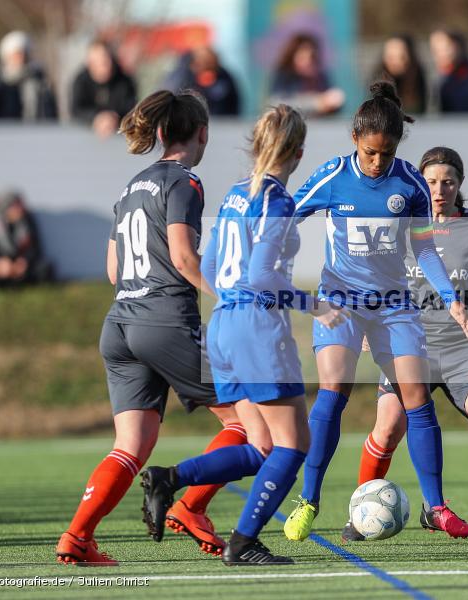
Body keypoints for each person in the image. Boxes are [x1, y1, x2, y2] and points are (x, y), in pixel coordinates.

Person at [140, 105, 348, 566]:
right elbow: (261, 278)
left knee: (261, 447)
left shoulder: (235, 194)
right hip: (255, 328)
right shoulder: (277, 201)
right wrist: (313, 304)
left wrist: (232, 307)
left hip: (224, 326)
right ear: (297, 152)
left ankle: (170, 477)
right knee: (295, 447)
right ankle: (243, 541)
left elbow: (211, 267)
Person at [282, 81, 468, 542]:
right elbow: (286, 219)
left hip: (394, 305)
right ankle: (308, 501)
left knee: (416, 397)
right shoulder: (332, 177)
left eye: (387, 153)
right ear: (355, 138)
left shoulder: (410, 182)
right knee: (333, 390)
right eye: (371, 152)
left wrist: (452, 300)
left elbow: (424, 251)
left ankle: (437, 507)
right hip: (341, 302)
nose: (378, 162)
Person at [56, 90, 245, 565]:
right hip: (164, 321)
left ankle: (77, 537)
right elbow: (183, 257)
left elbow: (114, 271)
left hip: (119, 323)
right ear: (202, 133)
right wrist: (230, 298)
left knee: (131, 446)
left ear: (160, 133)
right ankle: (190, 506)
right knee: (247, 419)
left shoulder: (130, 188)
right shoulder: (185, 183)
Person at [342, 147, 468, 542]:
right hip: (407, 343)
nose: (439, 189)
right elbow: (372, 275)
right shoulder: (402, 225)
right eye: (431, 181)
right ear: (420, 183)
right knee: (388, 427)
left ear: (460, 184)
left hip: (464, 347)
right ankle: (357, 517)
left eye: (448, 181)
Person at [0, 189, 53, 288]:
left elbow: (36, 248)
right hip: (3, 263)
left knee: (44, 268)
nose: (20, 209)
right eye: (16, 206)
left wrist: (24, 261)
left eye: (21, 205)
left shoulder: (28, 221)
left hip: (22, 263)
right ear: (6, 207)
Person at [0, 31, 58, 121]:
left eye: (24, 54)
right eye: (17, 55)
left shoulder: (41, 85)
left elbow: (50, 113)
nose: (21, 58)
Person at [70, 39, 137, 138]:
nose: (103, 65)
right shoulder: (80, 82)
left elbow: (132, 109)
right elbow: (76, 110)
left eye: (105, 59)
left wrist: (114, 118)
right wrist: (96, 118)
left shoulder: (125, 81)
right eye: (98, 61)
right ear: (89, 63)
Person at [269, 33, 345, 117]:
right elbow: (276, 103)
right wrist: (316, 103)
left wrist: (334, 102)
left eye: (312, 57)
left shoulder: (321, 77)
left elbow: (335, 103)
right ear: (292, 58)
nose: (308, 62)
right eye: (303, 57)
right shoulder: (284, 77)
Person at [163, 46, 240, 116]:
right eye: (203, 62)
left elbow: (234, 103)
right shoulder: (183, 79)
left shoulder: (224, 78)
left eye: (210, 63)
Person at [371, 34, 426, 114]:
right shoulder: (376, 84)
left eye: (401, 56)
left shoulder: (417, 80)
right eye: (391, 57)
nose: (396, 62)